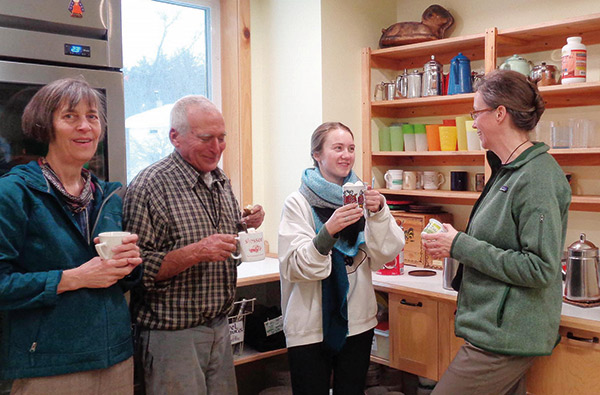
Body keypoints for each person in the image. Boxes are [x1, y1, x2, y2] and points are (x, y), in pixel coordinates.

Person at [422, 69, 571, 395]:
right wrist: (455, 240)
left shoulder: (537, 177)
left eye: (476, 113)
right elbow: (499, 242)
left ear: (500, 113)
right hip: (496, 328)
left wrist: (459, 245)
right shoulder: (509, 170)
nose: (473, 123)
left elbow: (540, 267)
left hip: (507, 335)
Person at [0, 77, 142, 394]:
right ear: (44, 126)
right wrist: (74, 278)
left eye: (92, 117)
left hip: (115, 357)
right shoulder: (14, 192)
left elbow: (120, 282)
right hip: (48, 366)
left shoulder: (107, 195)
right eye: (70, 116)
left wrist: (131, 266)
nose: (85, 127)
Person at [123, 95, 265, 394]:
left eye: (222, 138)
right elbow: (136, 270)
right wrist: (197, 252)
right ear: (175, 137)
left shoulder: (220, 180)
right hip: (172, 336)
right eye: (206, 138)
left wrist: (244, 225)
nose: (217, 148)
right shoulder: (150, 186)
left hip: (219, 326)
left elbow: (221, 242)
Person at [278, 122, 405, 395]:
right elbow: (294, 266)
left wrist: (380, 211)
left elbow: (387, 252)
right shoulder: (297, 203)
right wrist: (328, 232)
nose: (346, 155)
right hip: (310, 325)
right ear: (317, 154)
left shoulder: (362, 197)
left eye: (351, 148)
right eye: (337, 148)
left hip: (358, 321)